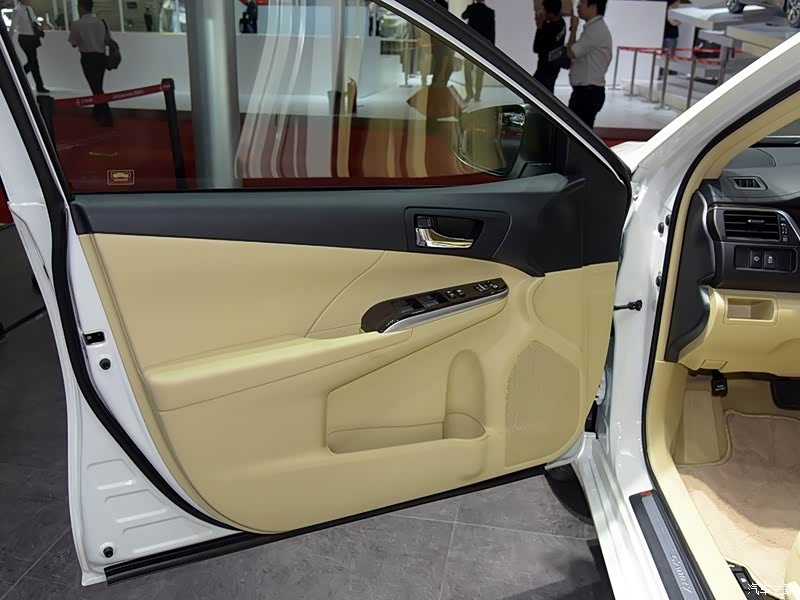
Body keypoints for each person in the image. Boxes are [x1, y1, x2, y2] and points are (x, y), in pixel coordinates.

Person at [566, 0, 612, 128]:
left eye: (582, 2)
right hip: (587, 92)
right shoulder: (594, 28)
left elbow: (572, 52)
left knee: (577, 132)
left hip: (587, 94)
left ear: (593, 6)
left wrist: (573, 29)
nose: (578, 6)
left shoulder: (595, 30)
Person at [69, 0, 113, 126]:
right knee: (98, 85)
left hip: (88, 58)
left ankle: (107, 116)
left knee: (96, 87)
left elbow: (74, 43)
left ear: (81, 8)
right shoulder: (100, 22)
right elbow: (107, 40)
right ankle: (97, 111)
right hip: (101, 57)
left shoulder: (77, 24)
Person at [461, 0, 495, 102]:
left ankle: (469, 94)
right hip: (482, 47)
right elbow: (492, 32)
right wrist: (491, 48)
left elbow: (463, 16)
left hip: (470, 45)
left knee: (468, 71)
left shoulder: (472, 8)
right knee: (479, 73)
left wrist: (471, 6)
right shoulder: (489, 12)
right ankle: (477, 95)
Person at [11, 0, 48, 93]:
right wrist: (9, 40)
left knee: (34, 62)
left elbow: (34, 21)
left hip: (33, 37)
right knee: (32, 61)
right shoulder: (17, 10)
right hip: (25, 38)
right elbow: (13, 26)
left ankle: (39, 86)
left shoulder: (29, 9)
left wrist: (39, 27)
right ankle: (19, 77)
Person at [533, 0, 566, 93]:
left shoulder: (548, 29)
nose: (542, 12)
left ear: (550, 13)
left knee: (534, 90)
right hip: (554, 66)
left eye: (544, 9)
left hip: (544, 69)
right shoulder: (562, 23)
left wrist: (539, 27)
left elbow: (536, 48)